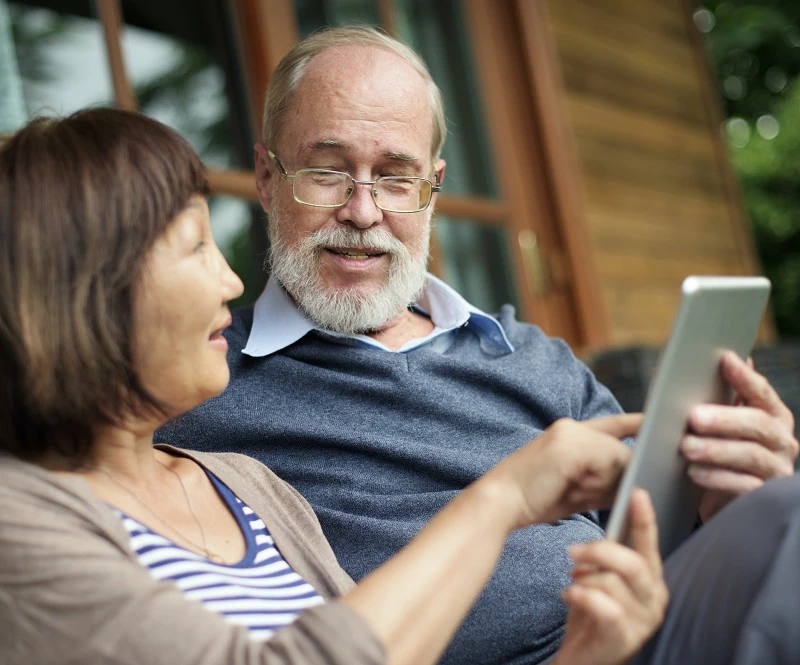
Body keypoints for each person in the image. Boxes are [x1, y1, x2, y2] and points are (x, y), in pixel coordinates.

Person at [156, 26, 800, 665]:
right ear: (268, 178)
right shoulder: (205, 378)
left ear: (431, 187)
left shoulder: (529, 356)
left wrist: (723, 497)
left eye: (395, 177)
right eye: (327, 172)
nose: (362, 210)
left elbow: (658, 531)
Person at [0, 108, 669, 665]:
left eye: (397, 177)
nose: (232, 283)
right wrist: (502, 498)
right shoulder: (19, 520)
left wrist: (584, 656)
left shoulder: (246, 487)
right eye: (196, 246)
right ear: (84, 291)